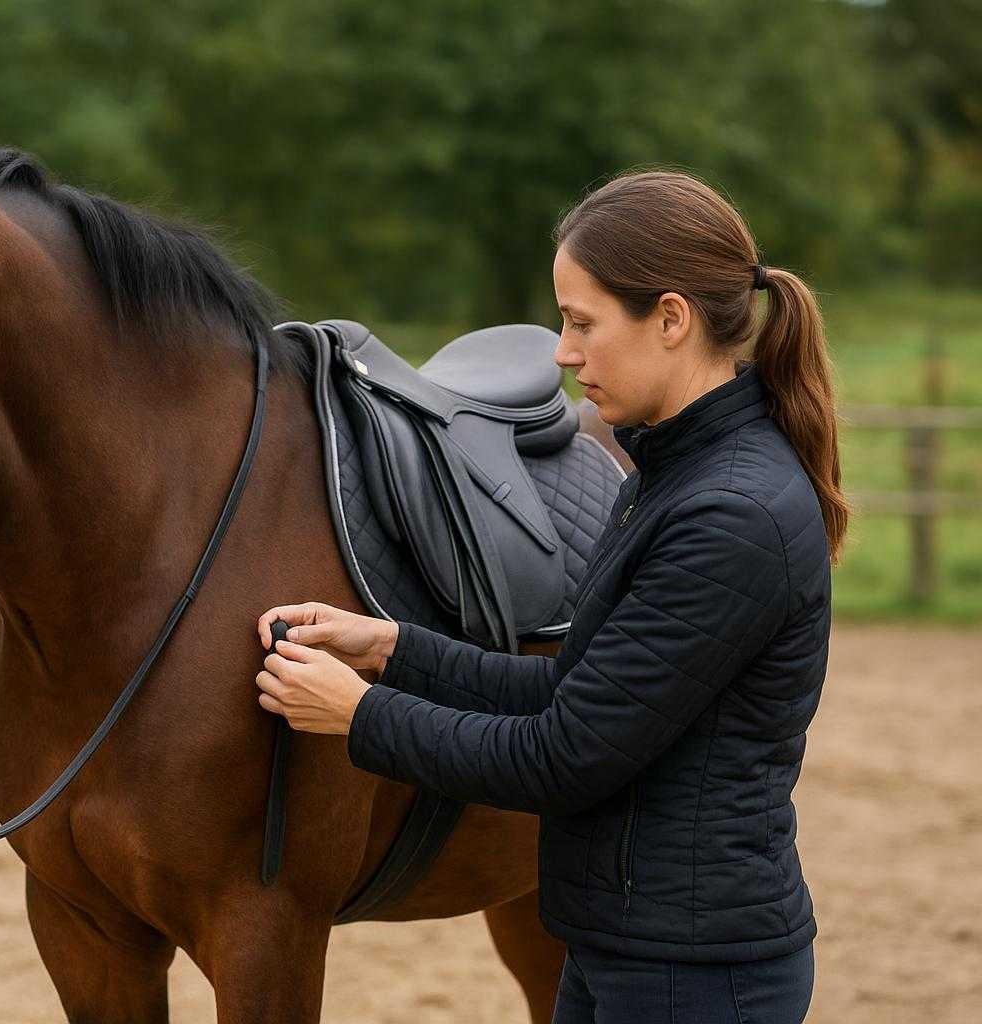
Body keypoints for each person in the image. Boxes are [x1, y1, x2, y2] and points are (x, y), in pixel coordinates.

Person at [255, 170, 845, 1023]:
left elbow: (564, 757)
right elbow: (572, 684)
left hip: (697, 975)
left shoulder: (731, 514)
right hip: (625, 946)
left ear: (671, 319)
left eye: (582, 322)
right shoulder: (672, 474)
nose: (563, 353)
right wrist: (388, 649)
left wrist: (357, 715)